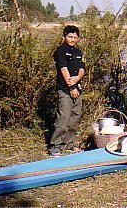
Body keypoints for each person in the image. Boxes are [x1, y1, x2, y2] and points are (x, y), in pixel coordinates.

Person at [49, 25, 85, 156]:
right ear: (64, 37)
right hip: (65, 89)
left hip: (77, 88)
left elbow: (82, 69)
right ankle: (55, 146)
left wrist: (77, 80)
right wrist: (71, 87)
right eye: (70, 36)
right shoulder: (60, 51)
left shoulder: (78, 52)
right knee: (63, 118)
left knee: (75, 118)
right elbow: (64, 70)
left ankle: (68, 144)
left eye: (75, 37)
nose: (73, 39)